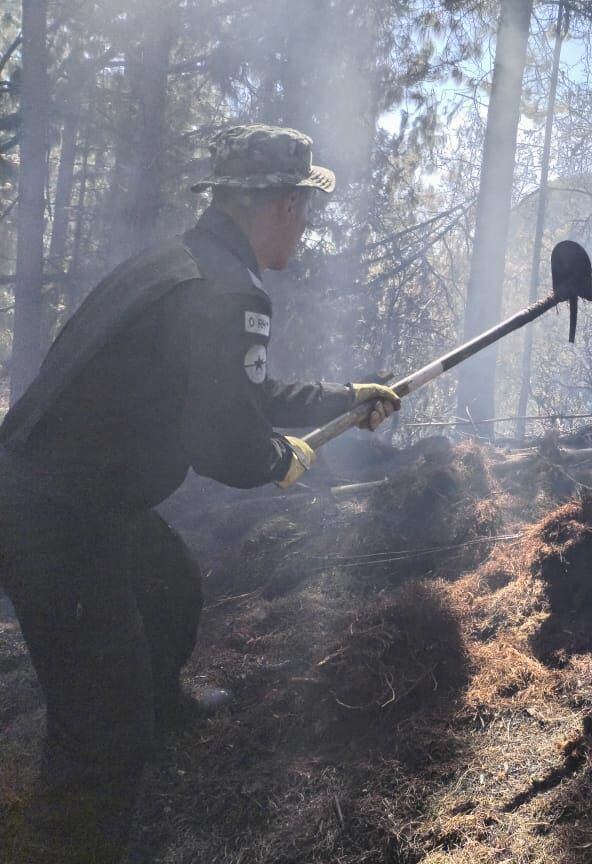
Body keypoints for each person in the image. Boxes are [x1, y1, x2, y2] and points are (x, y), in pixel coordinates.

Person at [0, 124, 400, 862]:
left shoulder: (173, 265)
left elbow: (236, 389)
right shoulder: (228, 289)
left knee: (169, 584)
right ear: (280, 206)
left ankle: (162, 706)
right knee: (100, 735)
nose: (305, 229)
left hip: (54, 490)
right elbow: (225, 443)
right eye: (304, 210)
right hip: (59, 519)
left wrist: (345, 398)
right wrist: (278, 459)